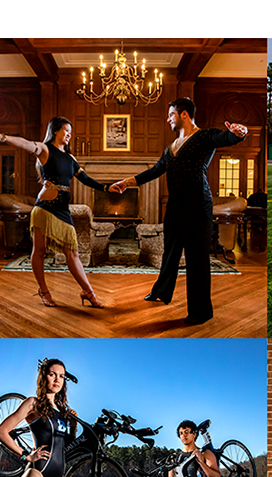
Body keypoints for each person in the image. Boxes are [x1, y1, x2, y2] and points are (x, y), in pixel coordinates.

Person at [111, 97, 248, 325]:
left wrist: (238, 132)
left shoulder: (204, 137)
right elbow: (155, 171)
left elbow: (226, 137)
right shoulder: (171, 147)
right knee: (170, 251)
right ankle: (161, 291)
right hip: (175, 204)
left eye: (170, 115)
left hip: (197, 203)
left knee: (197, 258)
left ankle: (200, 312)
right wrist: (127, 182)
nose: (167, 119)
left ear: (184, 114)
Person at [0, 120, 108, 308]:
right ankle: (44, 290)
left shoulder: (71, 159)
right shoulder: (45, 150)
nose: (70, 134)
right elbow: (25, 143)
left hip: (62, 211)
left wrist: (108, 188)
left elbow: (87, 180)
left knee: (73, 253)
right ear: (55, 131)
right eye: (66, 130)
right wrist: (3, 137)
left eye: (71, 131)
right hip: (45, 209)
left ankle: (88, 292)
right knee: (39, 250)